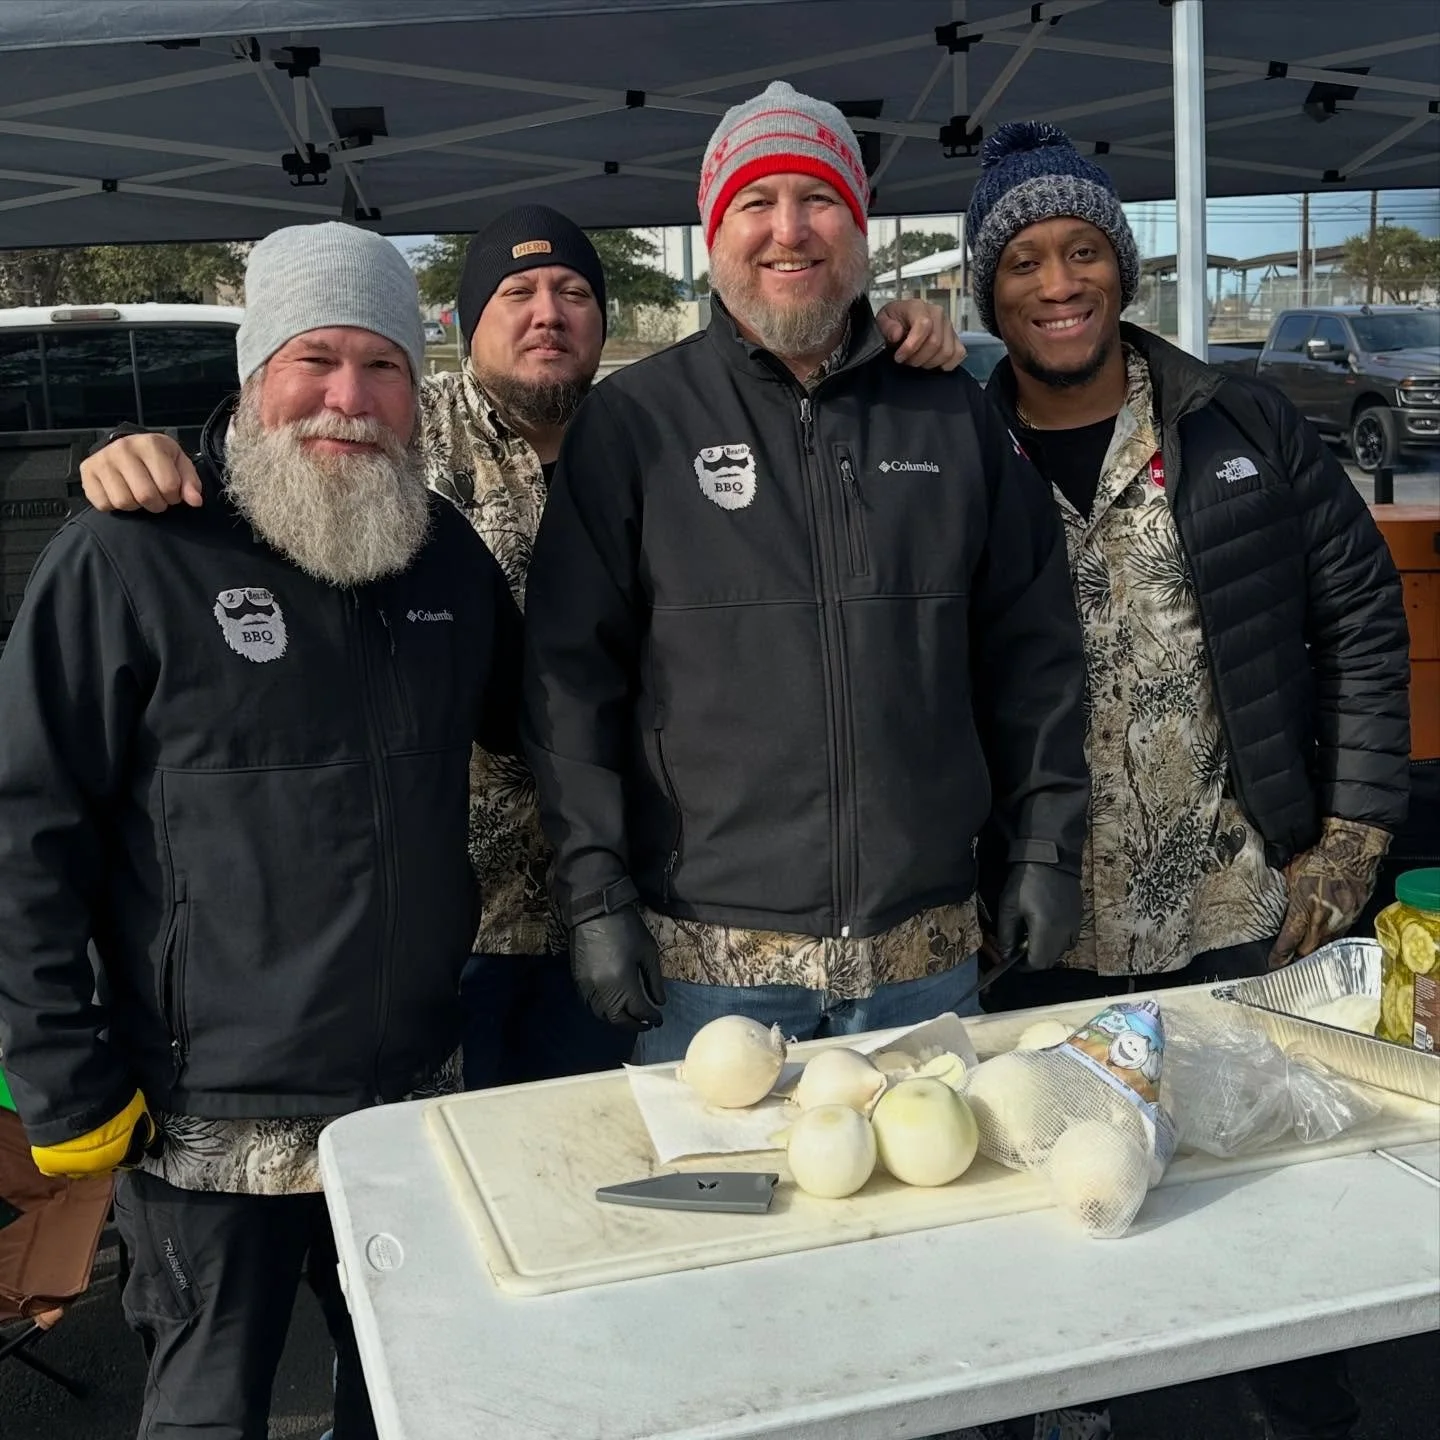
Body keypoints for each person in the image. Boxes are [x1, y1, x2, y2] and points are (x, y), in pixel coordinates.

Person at [79, 208, 969, 1093]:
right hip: (451, 923)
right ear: (469, 321)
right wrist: (128, 451)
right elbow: (272, 457)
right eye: (518, 291)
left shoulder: (659, 431)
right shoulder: (394, 430)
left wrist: (885, 322)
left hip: (641, 904)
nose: (549, 311)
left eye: (574, 291)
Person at [0, 222, 523, 1440]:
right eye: (316, 359)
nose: (349, 398)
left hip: (404, 1090)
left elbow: (554, 715)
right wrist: (63, 1078)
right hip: (204, 1111)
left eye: (382, 366)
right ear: (253, 373)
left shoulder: (438, 553)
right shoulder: (127, 556)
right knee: (207, 1410)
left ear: (417, 386)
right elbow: (26, 833)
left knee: (412, 1392)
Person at [964, 122, 1410, 1440]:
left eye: (1084, 249)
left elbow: (1365, 623)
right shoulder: (956, 454)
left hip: (1237, 913)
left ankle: (1307, 1410)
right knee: (1059, 1223)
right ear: (992, 293)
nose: (1060, 282)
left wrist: (1348, 840)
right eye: (1028, 261)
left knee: (1273, 1222)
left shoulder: (1243, 422)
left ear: (1123, 266)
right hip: (1041, 932)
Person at [521, 82, 1091, 1066]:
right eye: (756, 202)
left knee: (936, 1214)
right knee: (731, 1223)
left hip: (928, 957)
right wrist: (597, 896)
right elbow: (571, 683)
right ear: (714, 232)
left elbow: (1032, 656)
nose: (790, 230)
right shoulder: (635, 425)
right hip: (710, 973)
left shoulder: (951, 416)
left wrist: (1043, 848)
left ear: (861, 227)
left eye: (819, 198)